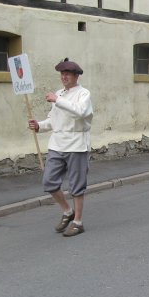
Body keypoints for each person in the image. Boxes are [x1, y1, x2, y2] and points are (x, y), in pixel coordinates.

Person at [27, 59, 93, 237]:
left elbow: (81, 111)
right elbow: (54, 120)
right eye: (62, 74)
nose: (64, 77)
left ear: (76, 76)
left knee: (76, 187)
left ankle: (78, 222)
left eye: (68, 74)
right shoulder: (59, 94)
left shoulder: (83, 94)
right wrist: (39, 125)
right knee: (49, 182)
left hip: (77, 145)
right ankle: (67, 211)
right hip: (57, 144)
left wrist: (58, 100)